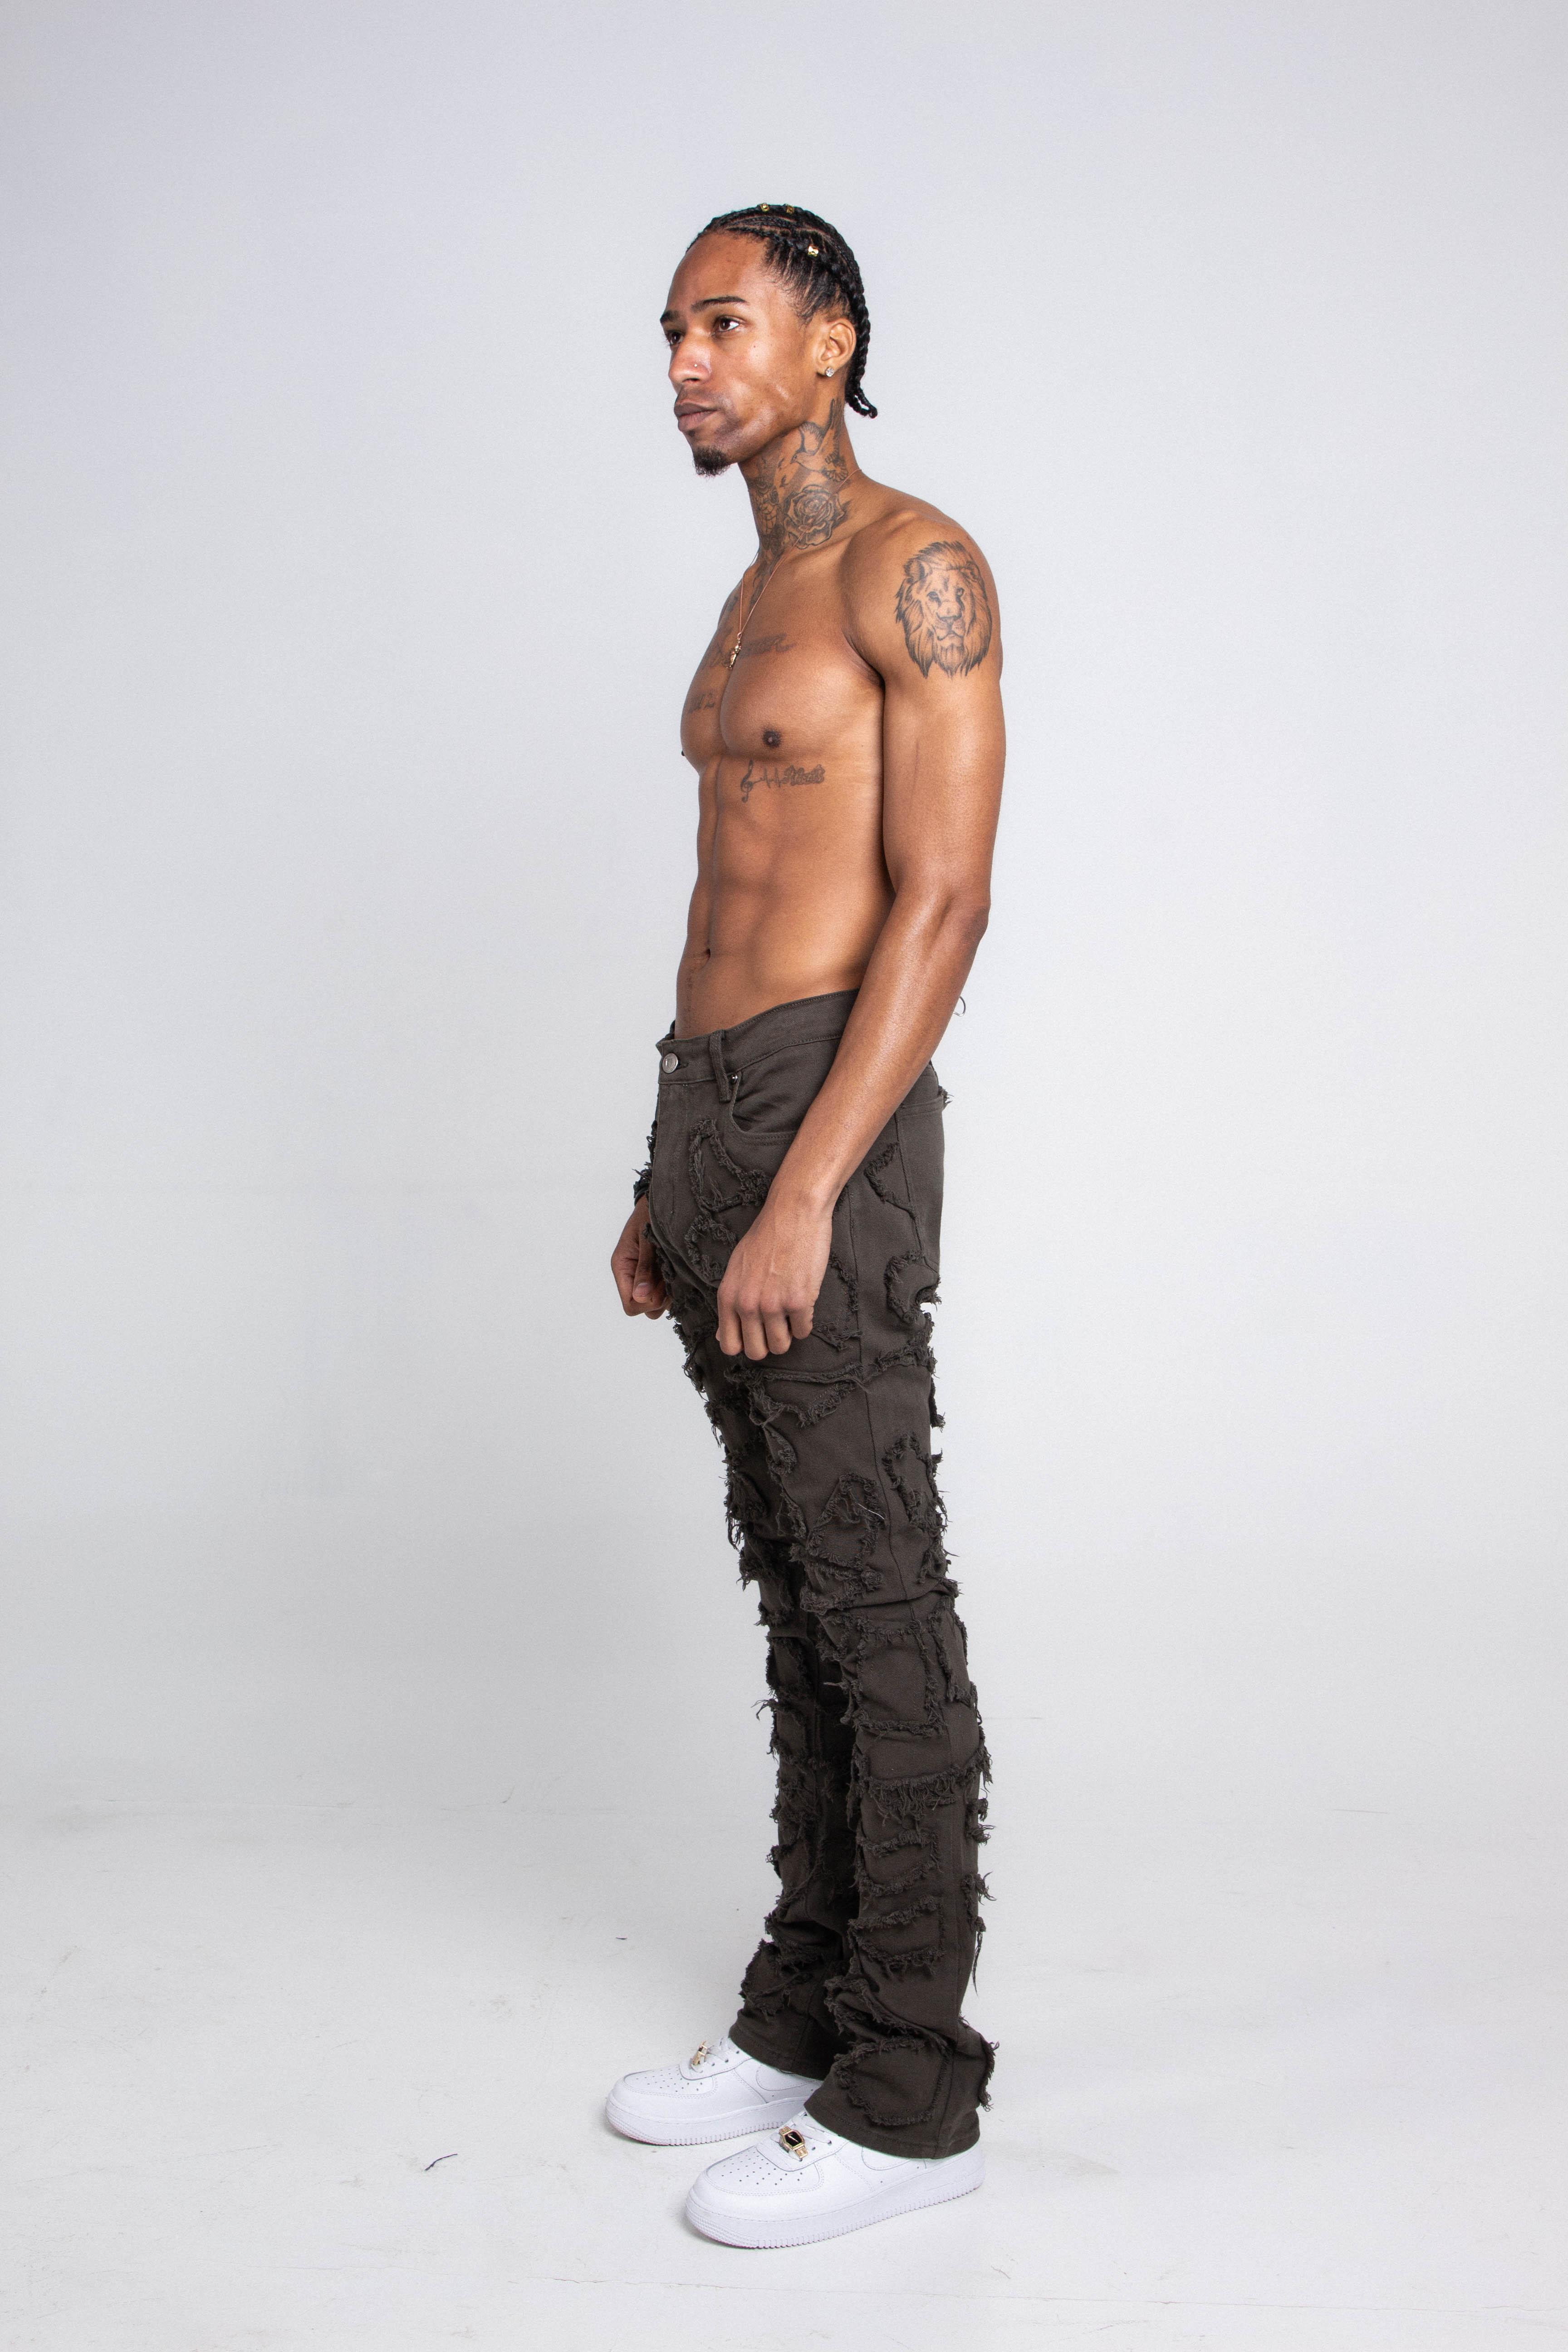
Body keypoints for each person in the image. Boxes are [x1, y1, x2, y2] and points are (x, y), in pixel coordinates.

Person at [607, 202, 1004, 2249]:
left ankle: (909, 2087)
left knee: (873, 1593)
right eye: (673, 332)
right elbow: (728, 891)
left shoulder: (911, 567)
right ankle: (801, 2013)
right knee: (790, 1591)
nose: (688, 363)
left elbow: (943, 899)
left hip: (822, 1117)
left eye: (726, 322)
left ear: (830, 339)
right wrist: (668, 1174)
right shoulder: (753, 585)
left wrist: (804, 1189)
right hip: (716, 1104)